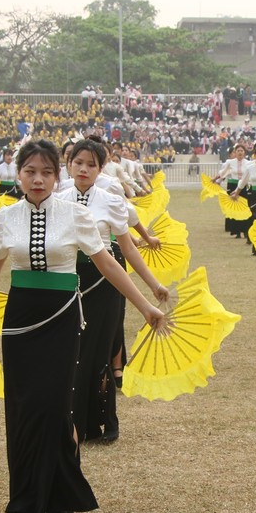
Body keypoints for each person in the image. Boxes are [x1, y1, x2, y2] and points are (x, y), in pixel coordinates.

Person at [0, 140, 163, 513]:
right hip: (19, 321)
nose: (38, 179)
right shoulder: (4, 218)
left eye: (47, 172)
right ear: (18, 174)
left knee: (57, 405)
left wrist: (145, 306)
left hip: (63, 319)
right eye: (30, 171)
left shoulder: (75, 216)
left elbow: (110, 266)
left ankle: (60, 497)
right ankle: (22, 500)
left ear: (56, 176)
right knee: (22, 407)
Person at [56, 138, 169, 443]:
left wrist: (153, 285)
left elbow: (128, 248)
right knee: (71, 354)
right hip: (66, 281)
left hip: (103, 283)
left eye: (91, 164)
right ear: (68, 164)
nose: (83, 169)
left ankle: (102, 425)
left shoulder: (110, 199)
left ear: (101, 168)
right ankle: (72, 424)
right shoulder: (56, 196)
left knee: (97, 355)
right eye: (78, 162)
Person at [214, 145, 248, 238]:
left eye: (242, 150)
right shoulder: (230, 163)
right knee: (234, 208)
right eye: (238, 151)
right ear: (235, 152)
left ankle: (245, 231)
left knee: (244, 208)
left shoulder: (248, 163)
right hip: (233, 185)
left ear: (244, 152)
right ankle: (236, 231)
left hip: (243, 187)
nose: (240, 152)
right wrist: (215, 179)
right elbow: (223, 173)